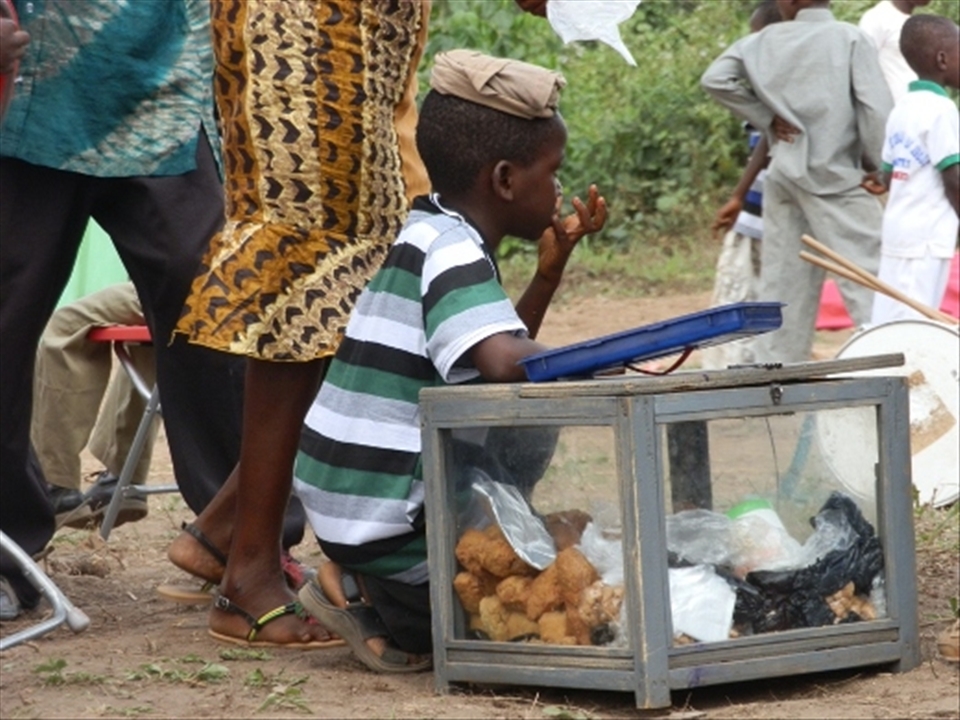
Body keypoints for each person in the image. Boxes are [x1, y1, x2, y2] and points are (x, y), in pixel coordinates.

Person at [166, 0, 554, 648]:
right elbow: (502, 363)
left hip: (371, 28)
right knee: (306, 253)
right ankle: (248, 571)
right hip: (308, 24)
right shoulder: (452, 243)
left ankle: (228, 526)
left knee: (358, 260)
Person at [291, 48, 607, 673]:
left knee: (521, 419)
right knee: (507, 618)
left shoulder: (431, 231)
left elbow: (486, 355)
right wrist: (597, 359)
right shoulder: (454, 251)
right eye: (554, 171)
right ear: (506, 180)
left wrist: (547, 275)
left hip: (352, 504)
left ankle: (362, 572)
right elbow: (504, 365)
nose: (561, 188)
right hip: (384, 524)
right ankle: (367, 593)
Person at [0, 0, 251, 618]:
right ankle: (8, 547)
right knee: (5, 316)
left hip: (166, 76)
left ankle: (238, 536)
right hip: (35, 76)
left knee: (210, 296)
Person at [701, 0, 893, 364]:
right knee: (869, 277)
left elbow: (714, 79)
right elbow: (875, 108)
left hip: (783, 177)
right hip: (836, 178)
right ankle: (895, 360)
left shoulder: (760, 42)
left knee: (783, 282)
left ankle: (779, 375)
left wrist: (765, 117)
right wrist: (880, 167)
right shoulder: (850, 39)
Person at [31, 283, 158, 529]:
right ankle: (123, 478)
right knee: (154, 331)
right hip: (230, 299)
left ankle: (55, 480)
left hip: (203, 287)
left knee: (66, 326)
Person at [702, 0, 782, 370]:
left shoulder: (775, 89)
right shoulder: (772, 88)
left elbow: (768, 143)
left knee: (745, 292)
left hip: (763, 211)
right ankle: (750, 362)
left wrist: (737, 195)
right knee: (753, 290)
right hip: (759, 210)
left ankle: (745, 366)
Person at [869, 14, 960, 325]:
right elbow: (954, 178)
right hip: (927, 239)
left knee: (892, 312)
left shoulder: (902, 108)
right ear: (943, 59)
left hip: (899, 230)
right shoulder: (942, 110)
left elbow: (887, 175)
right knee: (915, 320)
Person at [859, 0, 932, 102]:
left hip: (913, 109)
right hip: (888, 111)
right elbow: (862, 71)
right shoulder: (876, 18)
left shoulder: (914, 23)